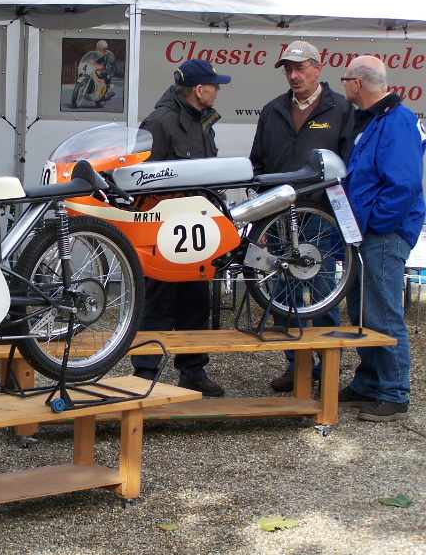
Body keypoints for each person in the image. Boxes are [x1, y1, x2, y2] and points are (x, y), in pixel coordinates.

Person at [250, 40, 354, 392]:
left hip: (320, 216)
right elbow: (258, 164)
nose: (294, 76)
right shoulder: (272, 109)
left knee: (324, 289)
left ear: (317, 68)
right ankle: (296, 365)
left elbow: (349, 166)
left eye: (300, 68)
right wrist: (261, 216)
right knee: (282, 291)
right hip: (279, 216)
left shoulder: (340, 108)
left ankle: (327, 365)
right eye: (288, 70)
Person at [131, 59, 231, 397]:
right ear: (199, 90)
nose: (218, 90)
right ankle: (143, 377)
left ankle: (193, 372)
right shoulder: (159, 123)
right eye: (214, 85)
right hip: (164, 230)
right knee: (158, 304)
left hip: (198, 228)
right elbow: (138, 181)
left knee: (195, 302)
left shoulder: (203, 121)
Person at [338, 55, 425, 422]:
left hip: (383, 234)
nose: (343, 86)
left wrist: (374, 224)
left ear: (357, 84)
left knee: (384, 312)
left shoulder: (398, 121)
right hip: (369, 234)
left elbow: (403, 184)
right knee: (363, 309)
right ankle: (369, 382)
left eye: (345, 80)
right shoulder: (379, 120)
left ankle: (394, 393)